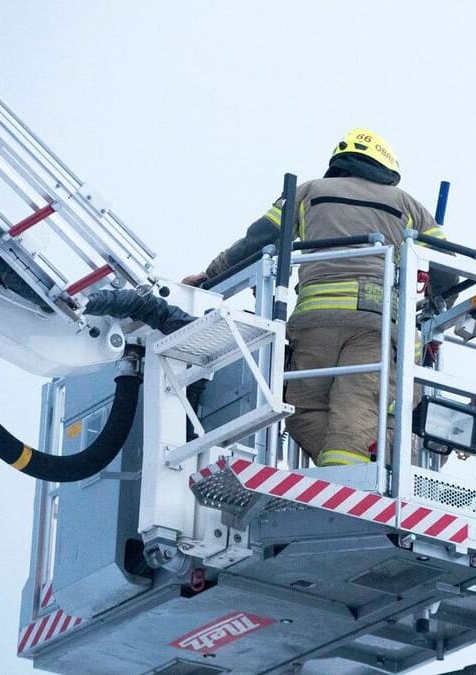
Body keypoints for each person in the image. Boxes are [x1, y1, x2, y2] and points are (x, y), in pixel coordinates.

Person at [185, 128, 455, 467]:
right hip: (374, 327)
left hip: (313, 327)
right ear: (387, 168)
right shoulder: (408, 205)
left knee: (302, 411)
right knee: (354, 415)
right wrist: (435, 302)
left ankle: (357, 464)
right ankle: (381, 464)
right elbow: (447, 271)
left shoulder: (307, 192)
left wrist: (210, 277)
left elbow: (257, 241)